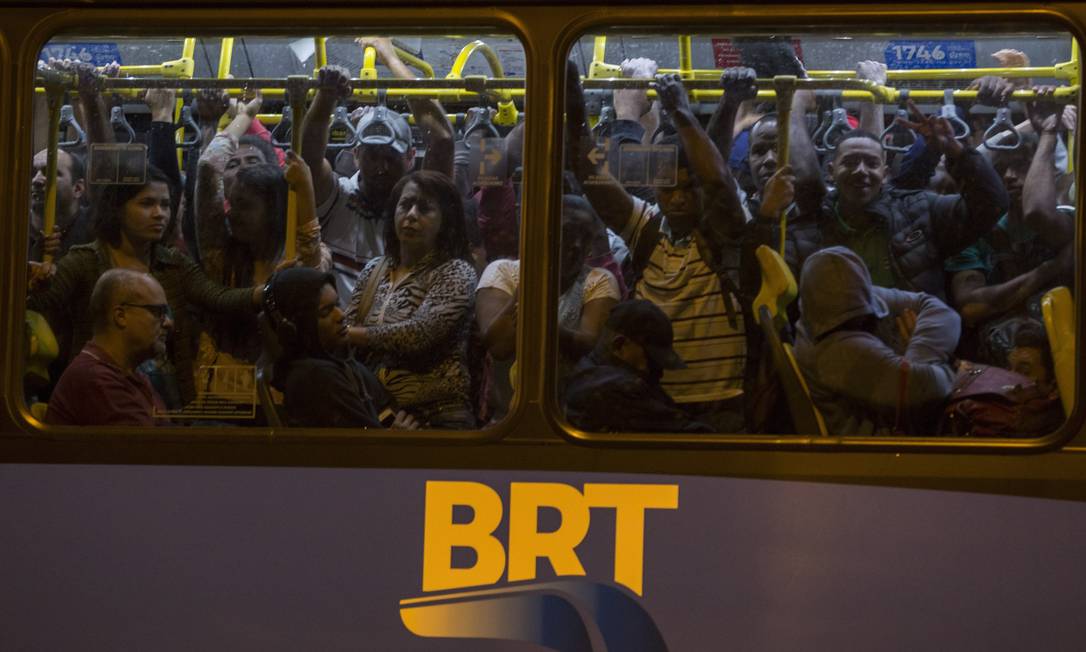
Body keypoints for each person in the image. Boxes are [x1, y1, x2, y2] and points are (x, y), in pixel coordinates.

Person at [567, 60, 751, 432]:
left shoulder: (725, 231)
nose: (679, 199)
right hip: (650, 402)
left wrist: (681, 112)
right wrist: (570, 92)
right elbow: (588, 171)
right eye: (669, 190)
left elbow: (716, 182)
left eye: (689, 189)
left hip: (723, 403)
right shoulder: (647, 228)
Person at [27, 166, 262, 407]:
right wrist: (35, 269)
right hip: (102, 389)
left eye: (166, 205)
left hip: (164, 392)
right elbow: (39, 301)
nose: (160, 213)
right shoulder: (85, 261)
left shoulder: (172, 264)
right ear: (118, 209)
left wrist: (267, 292)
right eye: (147, 204)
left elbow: (216, 296)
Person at [301, 52, 455, 298]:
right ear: (356, 155)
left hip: (397, 331)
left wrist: (391, 59)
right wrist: (326, 96)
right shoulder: (338, 196)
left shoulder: (417, 208)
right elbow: (307, 160)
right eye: (372, 156)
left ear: (410, 157)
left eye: (391, 157)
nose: (381, 167)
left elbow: (442, 140)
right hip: (337, 331)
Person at [945, 89, 1074, 364]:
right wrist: (1048, 271)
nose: (1010, 177)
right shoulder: (976, 229)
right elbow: (970, 307)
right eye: (1001, 170)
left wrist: (1049, 134)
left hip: (1063, 350)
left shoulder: (1064, 219)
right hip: (994, 358)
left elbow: (1037, 211)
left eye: (1021, 168)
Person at [344, 170, 477, 428]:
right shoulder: (375, 269)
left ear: (445, 222)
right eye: (405, 205)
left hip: (439, 417)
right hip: (380, 413)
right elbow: (345, 334)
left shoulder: (456, 271)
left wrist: (352, 334)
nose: (411, 215)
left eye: (425, 209)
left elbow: (418, 334)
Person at [476, 195, 621, 421]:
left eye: (586, 237)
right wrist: (536, 270)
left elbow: (588, 345)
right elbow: (499, 346)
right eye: (568, 233)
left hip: (572, 420)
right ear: (547, 233)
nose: (576, 245)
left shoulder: (598, 280)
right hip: (507, 418)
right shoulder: (503, 271)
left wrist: (538, 321)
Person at [793, 247, 960, 435]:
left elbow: (935, 307)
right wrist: (940, 367)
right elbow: (932, 387)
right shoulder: (837, 350)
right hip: (885, 451)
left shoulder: (828, 301)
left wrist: (915, 353)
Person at [263, 267, 417, 429]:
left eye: (337, 304)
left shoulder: (345, 363)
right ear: (295, 328)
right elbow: (366, 450)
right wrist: (395, 440)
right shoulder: (314, 377)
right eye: (325, 312)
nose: (341, 315)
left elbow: (386, 413)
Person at [46, 269, 171, 426]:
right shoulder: (96, 380)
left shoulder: (129, 374)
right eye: (158, 312)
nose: (168, 322)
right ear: (120, 316)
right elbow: (153, 448)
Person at [564, 300, 711, 433]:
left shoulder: (587, 369)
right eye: (651, 359)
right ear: (620, 345)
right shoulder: (619, 388)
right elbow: (691, 433)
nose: (658, 372)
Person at [28, 148, 90, 261]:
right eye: (32, 173)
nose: (36, 180)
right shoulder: (10, 229)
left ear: (77, 188)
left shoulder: (95, 231)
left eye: (50, 172)